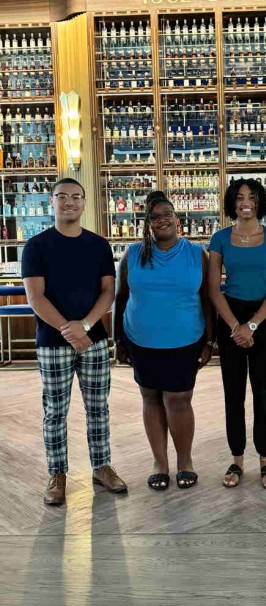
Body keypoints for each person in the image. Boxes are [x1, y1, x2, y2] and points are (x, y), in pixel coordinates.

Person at [22, 177, 127, 505]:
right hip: (52, 342)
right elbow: (35, 297)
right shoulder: (36, 246)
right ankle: (57, 474)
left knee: (98, 407)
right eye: (62, 196)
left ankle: (102, 466)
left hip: (94, 340)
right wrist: (69, 330)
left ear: (84, 203)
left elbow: (108, 291)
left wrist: (84, 325)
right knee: (55, 410)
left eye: (76, 197)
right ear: (52, 201)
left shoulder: (98, 245)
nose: (70, 202)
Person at [113, 191, 214, 491]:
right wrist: (118, 341)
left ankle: (185, 461)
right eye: (155, 217)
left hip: (186, 340)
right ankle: (160, 463)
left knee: (178, 400)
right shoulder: (132, 254)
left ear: (176, 218)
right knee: (151, 398)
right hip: (140, 340)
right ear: (147, 223)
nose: (162, 220)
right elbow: (121, 298)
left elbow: (208, 299)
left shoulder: (197, 254)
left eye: (166, 214)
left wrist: (211, 341)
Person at [208, 178, 266, 489]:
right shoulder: (219, 238)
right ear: (232, 202)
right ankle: (237, 459)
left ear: (260, 202)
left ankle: (265, 460)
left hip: (263, 319)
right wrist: (234, 326)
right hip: (230, 317)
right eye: (240, 197)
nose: (246, 203)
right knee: (233, 393)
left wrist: (251, 325)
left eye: (252, 197)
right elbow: (214, 290)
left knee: (263, 392)